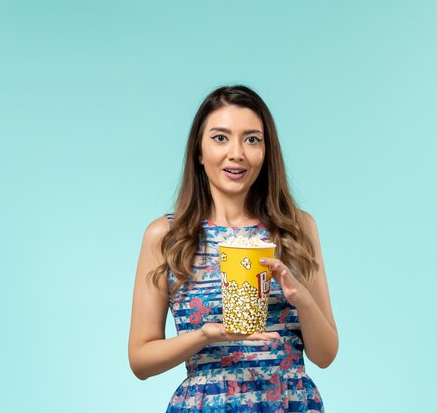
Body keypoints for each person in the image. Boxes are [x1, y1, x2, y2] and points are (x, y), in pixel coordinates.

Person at [128, 85, 338, 412]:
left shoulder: (297, 228)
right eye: (220, 138)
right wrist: (205, 336)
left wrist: (302, 299)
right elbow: (140, 360)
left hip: (289, 402)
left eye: (252, 139)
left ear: (267, 151)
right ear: (198, 150)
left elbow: (325, 355)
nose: (237, 152)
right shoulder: (166, 236)